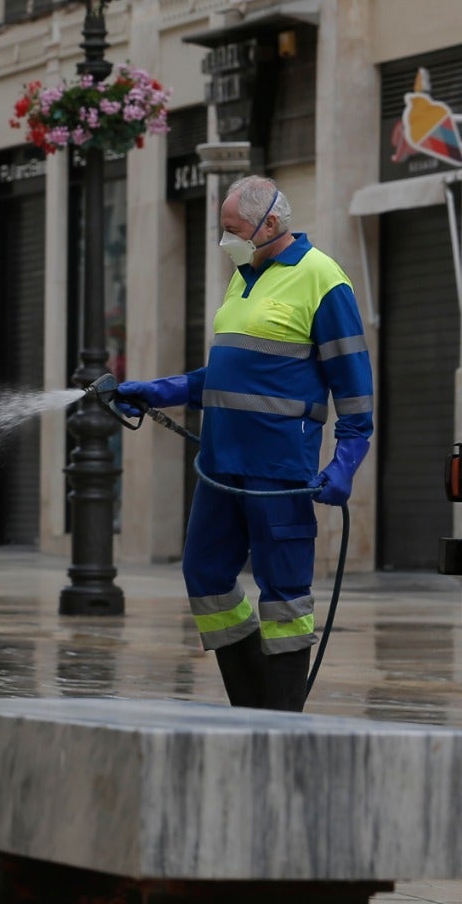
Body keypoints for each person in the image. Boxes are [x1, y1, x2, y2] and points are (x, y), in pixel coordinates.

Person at [116, 176, 373, 712]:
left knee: (284, 598)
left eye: (232, 230)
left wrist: (345, 462)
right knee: (205, 576)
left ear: (270, 224)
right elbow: (228, 372)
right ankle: (252, 706)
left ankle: (279, 720)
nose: (225, 241)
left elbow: (354, 389)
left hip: (278, 472)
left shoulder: (323, 280)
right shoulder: (243, 277)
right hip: (219, 467)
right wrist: (157, 391)